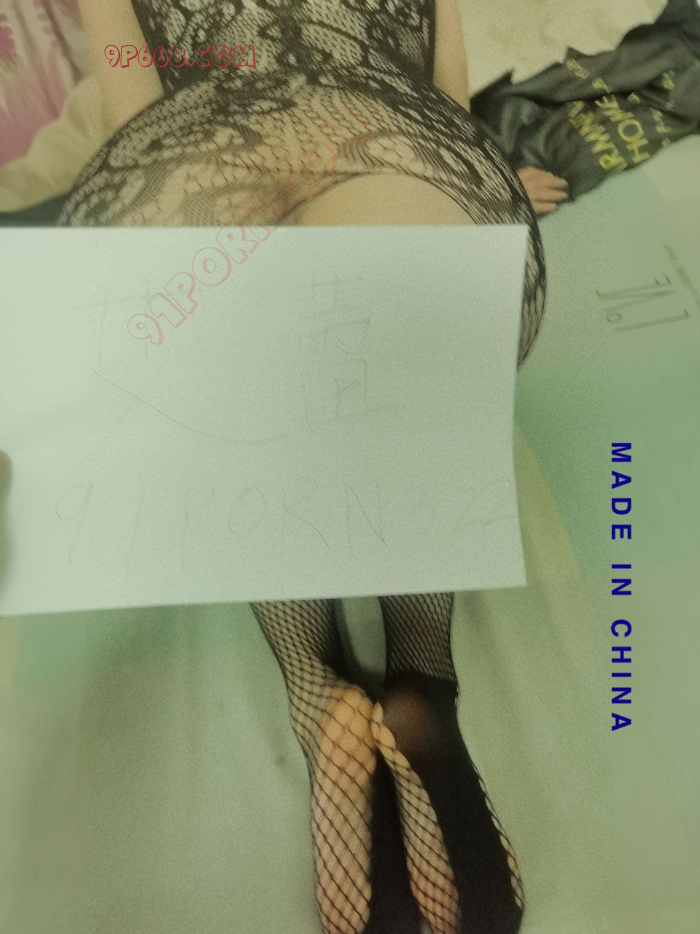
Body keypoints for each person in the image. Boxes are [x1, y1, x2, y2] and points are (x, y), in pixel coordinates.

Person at [66, 2, 558, 932]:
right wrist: (469, 179)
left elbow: (133, 106)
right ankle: (421, 677)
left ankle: (311, 682)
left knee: (231, 382)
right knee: (409, 363)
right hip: (400, 148)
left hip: (200, 159)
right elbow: (443, 84)